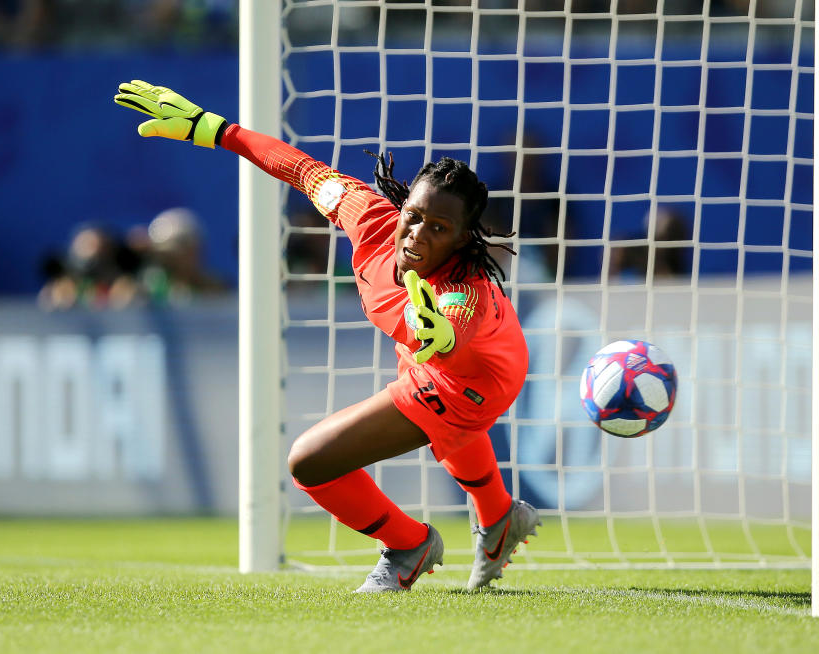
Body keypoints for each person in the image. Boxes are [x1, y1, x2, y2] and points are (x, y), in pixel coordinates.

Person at [114, 80, 541, 592]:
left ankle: (409, 545)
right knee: (447, 434)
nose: (418, 234)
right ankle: (498, 518)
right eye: (415, 216)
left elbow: (455, 321)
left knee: (309, 462)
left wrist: (440, 332)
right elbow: (298, 168)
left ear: (463, 237)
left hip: (475, 379)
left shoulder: (462, 288)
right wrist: (215, 129)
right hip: (450, 359)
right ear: (401, 206)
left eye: (439, 228)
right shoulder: (367, 217)